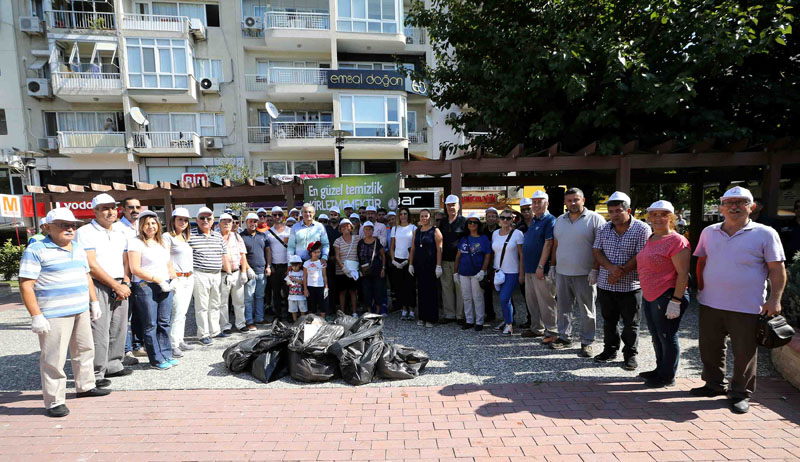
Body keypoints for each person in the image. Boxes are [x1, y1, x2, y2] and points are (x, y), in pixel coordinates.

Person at [692, 186, 786, 414]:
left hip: (747, 305)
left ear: (752, 207)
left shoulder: (765, 233)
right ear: (721, 207)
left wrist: (774, 299)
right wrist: (701, 290)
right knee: (709, 348)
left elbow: (777, 269)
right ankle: (714, 384)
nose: (734, 207)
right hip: (711, 303)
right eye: (729, 202)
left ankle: (740, 393)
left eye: (741, 202)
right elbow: (701, 262)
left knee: (744, 351)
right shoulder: (709, 232)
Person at [20, 208, 110, 418]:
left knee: (85, 350)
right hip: (54, 313)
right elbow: (26, 285)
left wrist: (94, 302)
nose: (70, 228)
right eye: (63, 224)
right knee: (54, 358)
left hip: (80, 309)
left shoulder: (77, 248)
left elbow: (86, 276)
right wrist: (36, 315)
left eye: (72, 225)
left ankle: (85, 386)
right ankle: (54, 401)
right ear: (47, 227)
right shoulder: (36, 250)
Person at [75, 193, 133, 380]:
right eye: (105, 208)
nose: (110, 212)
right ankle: (96, 373)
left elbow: (126, 261)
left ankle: (113, 364)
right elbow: (91, 265)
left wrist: (125, 282)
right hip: (98, 284)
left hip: (120, 284)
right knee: (99, 330)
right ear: (95, 211)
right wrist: (117, 285)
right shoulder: (85, 232)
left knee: (119, 327)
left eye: (113, 207)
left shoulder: (120, 231)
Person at [592, 191, 651, 370]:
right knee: (609, 320)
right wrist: (611, 269)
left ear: (628, 210)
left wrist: (620, 272)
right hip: (606, 283)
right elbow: (597, 251)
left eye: (618, 211)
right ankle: (609, 350)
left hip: (631, 285)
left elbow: (641, 255)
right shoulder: (603, 228)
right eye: (611, 212)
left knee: (631, 323)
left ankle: (630, 354)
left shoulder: (642, 229)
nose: (614, 215)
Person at [636, 200, 690, 388]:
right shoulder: (651, 238)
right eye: (654, 214)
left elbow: (683, 273)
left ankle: (667, 376)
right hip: (650, 295)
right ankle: (660, 369)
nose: (658, 218)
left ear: (672, 217)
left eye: (663, 214)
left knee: (667, 336)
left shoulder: (677, 241)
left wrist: (676, 300)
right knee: (656, 334)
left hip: (667, 295)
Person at [550, 187, 606, 353]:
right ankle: (564, 337)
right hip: (562, 272)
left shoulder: (596, 219)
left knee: (587, 310)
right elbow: (556, 244)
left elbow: (601, 247)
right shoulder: (560, 220)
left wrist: (596, 269)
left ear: (583, 200)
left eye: (576, 199)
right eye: (569, 200)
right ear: (565, 202)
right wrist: (553, 265)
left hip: (585, 274)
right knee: (563, 308)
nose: (572, 203)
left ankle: (587, 341)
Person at [127, 211, 177, 370]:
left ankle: (166, 354)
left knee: (164, 322)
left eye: (153, 223)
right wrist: (157, 280)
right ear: (141, 226)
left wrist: (173, 278)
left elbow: (168, 263)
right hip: (145, 286)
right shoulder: (135, 242)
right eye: (147, 223)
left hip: (165, 284)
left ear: (158, 224)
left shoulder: (162, 242)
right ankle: (155, 359)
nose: (151, 226)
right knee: (150, 324)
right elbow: (135, 269)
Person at [188, 207, 231, 346]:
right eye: (202, 218)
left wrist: (228, 273)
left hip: (217, 274)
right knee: (202, 306)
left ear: (213, 221)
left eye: (208, 218)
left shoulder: (218, 236)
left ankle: (215, 331)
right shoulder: (190, 235)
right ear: (196, 220)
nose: (205, 220)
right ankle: (203, 334)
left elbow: (224, 256)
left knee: (215, 304)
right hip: (199, 273)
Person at [521, 191, 558, 343]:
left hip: (541, 268)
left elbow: (549, 243)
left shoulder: (550, 220)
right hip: (530, 268)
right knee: (532, 300)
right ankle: (537, 328)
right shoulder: (535, 221)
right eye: (534, 202)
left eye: (539, 202)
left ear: (547, 203)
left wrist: (541, 265)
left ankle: (552, 331)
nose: (536, 205)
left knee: (546, 301)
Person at [112, 197, 143, 360]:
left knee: (139, 315)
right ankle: (125, 350)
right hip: (125, 278)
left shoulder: (142, 226)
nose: (135, 210)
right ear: (123, 209)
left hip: (141, 278)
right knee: (124, 316)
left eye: (138, 207)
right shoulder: (116, 228)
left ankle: (138, 346)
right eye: (131, 207)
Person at [163, 208, 194, 358]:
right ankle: (173, 344)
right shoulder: (167, 237)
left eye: (185, 220)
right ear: (173, 220)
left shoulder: (185, 238)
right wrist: (172, 277)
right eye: (180, 219)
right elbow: (165, 258)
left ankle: (180, 339)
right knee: (178, 312)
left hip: (189, 277)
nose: (183, 222)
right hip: (178, 278)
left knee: (184, 312)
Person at [453, 213, 491, 331]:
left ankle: (479, 322)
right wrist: (455, 272)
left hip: (477, 273)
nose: (472, 224)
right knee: (466, 297)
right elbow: (458, 257)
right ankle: (469, 320)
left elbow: (488, 256)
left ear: (478, 224)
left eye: (475, 222)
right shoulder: (464, 239)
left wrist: (483, 271)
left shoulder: (483, 238)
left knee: (478, 297)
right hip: (464, 272)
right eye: (470, 222)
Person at [492, 209, 525, 334]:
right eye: (503, 218)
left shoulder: (518, 234)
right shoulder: (495, 233)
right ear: (499, 219)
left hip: (512, 271)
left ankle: (509, 324)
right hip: (498, 271)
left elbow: (522, 255)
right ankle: (507, 320)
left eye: (508, 218)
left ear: (513, 220)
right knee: (505, 299)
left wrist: (521, 273)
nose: (505, 220)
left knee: (504, 298)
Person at [409, 209, 442, 327]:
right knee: (421, 291)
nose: (424, 218)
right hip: (419, 265)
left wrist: (438, 265)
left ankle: (431, 318)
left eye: (426, 216)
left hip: (431, 265)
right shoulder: (416, 231)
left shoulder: (435, 231)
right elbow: (412, 248)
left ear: (430, 217)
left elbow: (439, 249)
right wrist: (411, 264)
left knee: (431, 292)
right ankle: (422, 317)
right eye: (422, 216)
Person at [439, 195, 467, 324]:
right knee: (446, 287)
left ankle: (460, 315)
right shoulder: (443, 222)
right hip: (445, 260)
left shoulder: (464, 222)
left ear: (458, 206)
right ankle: (449, 314)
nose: (451, 207)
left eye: (453, 204)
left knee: (460, 288)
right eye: (449, 205)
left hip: (459, 261)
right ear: (446, 207)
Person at [218, 213, 248, 335]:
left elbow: (243, 255)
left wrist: (244, 272)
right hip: (222, 274)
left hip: (236, 272)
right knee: (223, 302)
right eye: (224, 221)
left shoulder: (237, 237)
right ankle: (225, 326)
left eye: (229, 221)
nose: (227, 223)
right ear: (219, 223)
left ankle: (241, 324)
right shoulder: (215, 237)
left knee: (239, 301)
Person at [241, 212, 269, 331]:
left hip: (262, 271)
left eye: (255, 221)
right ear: (246, 222)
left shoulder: (263, 236)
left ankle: (259, 318)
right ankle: (249, 321)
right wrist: (247, 268)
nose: (253, 223)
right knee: (248, 298)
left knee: (260, 296)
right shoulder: (241, 236)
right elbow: (241, 256)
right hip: (249, 272)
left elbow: (268, 251)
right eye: (251, 221)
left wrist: (268, 266)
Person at [391, 207, 417, 320]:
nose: (403, 216)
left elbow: (414, 246)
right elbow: (392, 247)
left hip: (409, 260)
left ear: (408, 215)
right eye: (401, 214)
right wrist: (393, 260)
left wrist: (409, 261)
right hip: (397, 260)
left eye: (405, 214)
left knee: (410, 286)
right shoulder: (395, 229)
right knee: (400, 286)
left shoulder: (413, 228)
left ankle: (411, 310)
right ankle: (404, 309)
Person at [266, 206, 290, 321]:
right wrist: (269, 265)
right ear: (271, 217)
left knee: (288, 292)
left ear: (283, 216)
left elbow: (292, 249)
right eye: (274, 215)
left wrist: (290, 266)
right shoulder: (268, 233)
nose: (277, 217)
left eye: (279, 215)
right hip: (275, 266)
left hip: (287, 266)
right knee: (275, 293)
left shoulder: (289, 231)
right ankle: (278, 316)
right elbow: (268, 250)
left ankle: (290, 315)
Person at [358, 221, 386, 314]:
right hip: (365, 271)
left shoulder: (377, 242)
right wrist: (359, 270)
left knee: (378, 291)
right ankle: (369, 312)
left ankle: (377, 312)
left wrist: (383, 268)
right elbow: (358, 256)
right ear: (363, 230)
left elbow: (383, 255)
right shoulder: (360, 242)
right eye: (366, 229)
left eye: (370, 229)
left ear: (373, 230)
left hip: (377, 270)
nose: (368, 231)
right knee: (367, 292)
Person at [334, 219, 360, 317]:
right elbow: (337, 256)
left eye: (347, 226)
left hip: (353, 270)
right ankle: (342, 312)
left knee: (353, 291)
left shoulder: (357, 238)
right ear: (340, 229)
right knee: (342, 292)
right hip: (341, 270)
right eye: (343, 226)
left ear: (351, 227)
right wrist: (343, 267)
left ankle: (354, 312)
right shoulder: (338, 241)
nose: (345, 228)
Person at [482, 207, 500, 323]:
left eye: (493, 216)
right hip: (486, 264)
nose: (491, 218)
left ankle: (510, 315)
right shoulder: (482, 232)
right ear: (486, 218)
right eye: (489, 216)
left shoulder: (502, 230)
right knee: (486, 290)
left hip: (499, 263)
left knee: (502, 290)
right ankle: (490, 313)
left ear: (497, 219)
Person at [324, 210, 342, 317]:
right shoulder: (325, 229)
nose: (333, 217)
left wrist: (337, 257)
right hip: (328, 261)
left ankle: (343, 308)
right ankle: (330, 308)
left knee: (342, 285)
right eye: (331, 215)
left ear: (339, 216)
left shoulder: (343, 227)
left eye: (335, 215)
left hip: (341, 261)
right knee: (330, 285)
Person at [303, 241, 328, 316]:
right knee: (312, 305)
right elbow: (305, 276)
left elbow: (324, 275)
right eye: (315, 252)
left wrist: (326, 287)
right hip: (310, 286)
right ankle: (313, 322)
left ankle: (323, 322)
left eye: (319, 252)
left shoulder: (322, 262)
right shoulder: (306, 263)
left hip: (320, 286)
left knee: (322, 305)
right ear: (311, 253)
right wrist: (305, 288)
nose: (317, 254)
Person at [286, 255, 307, 320]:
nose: (294, 267)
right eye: (293, 265)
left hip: (301, 295)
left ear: (300, 264)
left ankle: (302, 322)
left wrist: (294, 279)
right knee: (293, 310)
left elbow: (304, 282)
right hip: (292, 295)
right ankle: (295, 322)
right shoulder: (289, 273)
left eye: (296, 265)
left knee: (303, 309)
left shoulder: (302, 272)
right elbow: (287, 282)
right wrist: (289, 283)